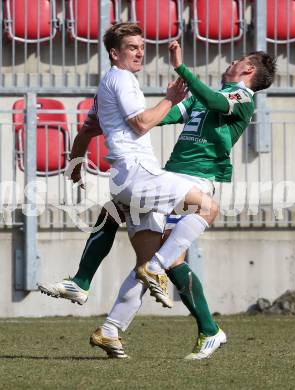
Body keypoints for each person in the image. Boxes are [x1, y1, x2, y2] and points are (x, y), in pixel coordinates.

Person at [39, 24, 276, 360]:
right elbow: (162, 117)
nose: (231, 62)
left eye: (238, 59)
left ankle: (206, 327)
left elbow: (207, 99)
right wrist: (117, 119)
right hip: (167, 177)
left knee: (158, 255)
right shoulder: (197, 97)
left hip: (194, 181)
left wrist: (180, 68)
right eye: (132, 47)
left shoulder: (239, 97)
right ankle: (111, 328)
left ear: (248, 70)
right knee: (139, 247)